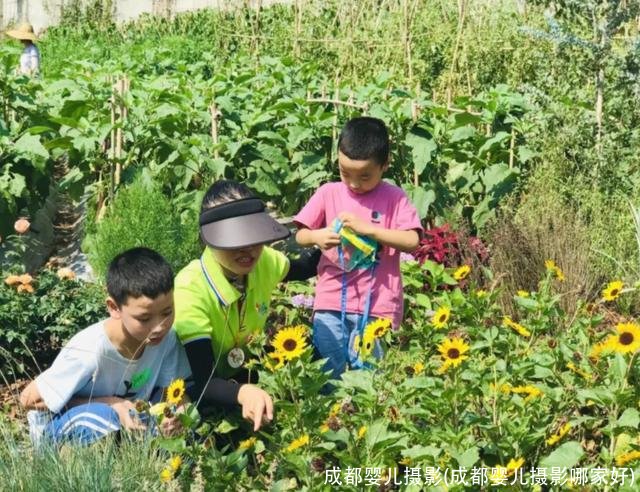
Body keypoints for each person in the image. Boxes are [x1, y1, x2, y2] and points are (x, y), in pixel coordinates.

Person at [174, 179, 319, 431]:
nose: (248, 251)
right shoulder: (191, 288)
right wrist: (244, 394)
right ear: (209, 240)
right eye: (235, 242)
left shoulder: (264, 263)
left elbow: (304, 268)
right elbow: (205, 380)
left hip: (239, 378)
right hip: (195, 391)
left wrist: (340, 239)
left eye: (254, 239)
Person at [19, 247, 192, 446]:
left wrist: (176, 413)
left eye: (167, 312)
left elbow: (169, 390)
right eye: (144, 318)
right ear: (114, 308)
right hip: (61, 433)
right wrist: (112, 403)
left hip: (124, 425)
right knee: (103, 417)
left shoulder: (166, 340)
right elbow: (28, 399)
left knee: (188, 430)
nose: (160, 326)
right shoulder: (90, 350)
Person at [294, 116, 422, 380]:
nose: (353, 183)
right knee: (327, 374)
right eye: (345, 172)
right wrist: (318, 235)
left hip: (378, 306)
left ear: (384, 165)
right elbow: (301, 235)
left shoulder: (394, 198)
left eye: (365, 176)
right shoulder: (328, 192)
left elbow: (412, 240)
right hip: (330, 301)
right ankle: (332, 419)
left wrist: (370, 230)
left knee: (370, 377)